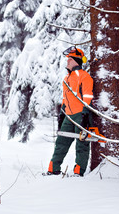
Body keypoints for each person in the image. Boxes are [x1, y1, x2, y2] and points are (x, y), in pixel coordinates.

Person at [47, 46, 93, 176]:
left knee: (82, 144)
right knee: (61, 142)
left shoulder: (84, 76)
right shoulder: (66, 78)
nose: (67, 61)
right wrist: (62, 113)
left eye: (70, 59)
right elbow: (65, 97)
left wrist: (85, 113)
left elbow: (88, 96)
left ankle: (78, 172)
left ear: (77, 60)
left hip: (81, 115)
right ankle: (53, 169)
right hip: (69, 116)